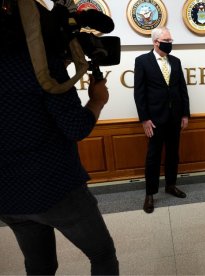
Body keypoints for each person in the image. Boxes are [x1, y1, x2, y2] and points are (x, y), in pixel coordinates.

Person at [0, 2, 119, 275]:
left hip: (8, 195)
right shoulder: (40, 65)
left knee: (40, 266)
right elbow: (76, 127)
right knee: (102, 254)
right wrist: (97, 101)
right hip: (55, 187)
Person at [134, 26, 190, 214]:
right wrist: (144, 120)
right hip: (155, 120)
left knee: (173, 154)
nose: (170, 43)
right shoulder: (142, 61)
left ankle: (171, 185)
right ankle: (150, 194)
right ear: (156, 42)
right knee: (153, 157)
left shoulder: (175, 61)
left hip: (175, 118)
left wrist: (185, 114)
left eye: (171, 40)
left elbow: (182, 89)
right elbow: (139, 93)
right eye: (167, 41)